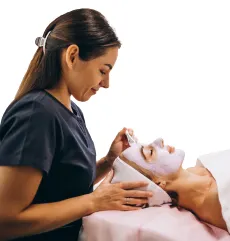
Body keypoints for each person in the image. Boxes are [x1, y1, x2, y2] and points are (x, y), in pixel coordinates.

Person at [0, 8, 153, 241]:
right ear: (72, 56)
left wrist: (108, 160)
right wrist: (94, 201)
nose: (106, 83)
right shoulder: (37, 114)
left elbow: (61, 188)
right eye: (103, 70)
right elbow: (6, 220)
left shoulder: (71, 112)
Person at [117, 137, 228, 231]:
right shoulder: (216, 201)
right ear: (159, 183)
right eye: (150, 152)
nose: (159, 140)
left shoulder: (203, 167)